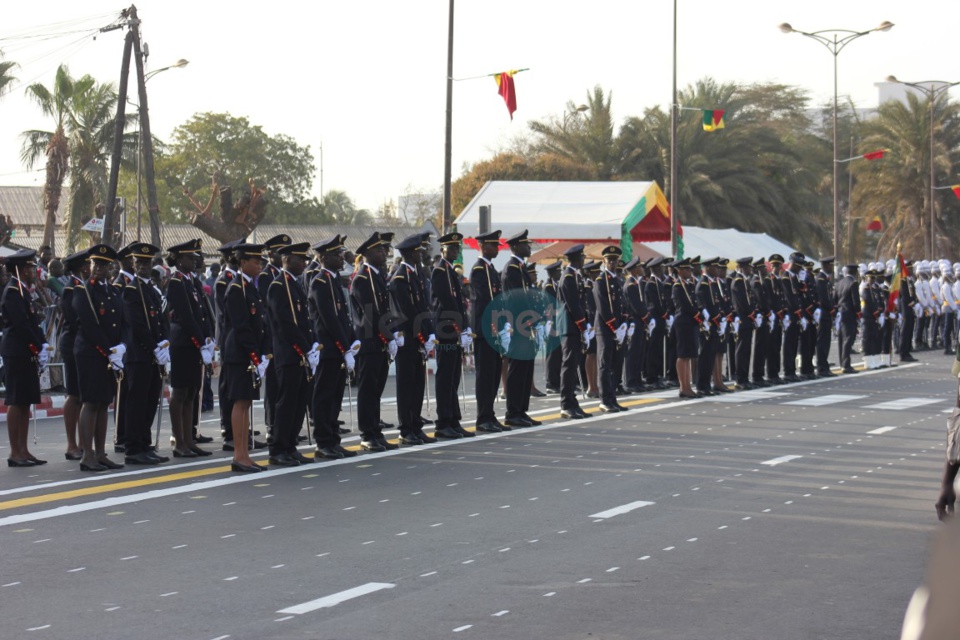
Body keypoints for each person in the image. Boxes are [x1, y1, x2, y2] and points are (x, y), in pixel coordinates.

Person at [72, 245, 126, 472]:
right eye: (96, 264)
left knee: (104, 402)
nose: (99, 269)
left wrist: (122, 346)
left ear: (111, 268)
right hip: (90, 353)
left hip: (110, 354)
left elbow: (122, 321)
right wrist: (109, 350)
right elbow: (90, 325)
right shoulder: (83, 291)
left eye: (104, 265)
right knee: (91, 402)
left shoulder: (112, 291)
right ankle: (87, 454)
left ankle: (101, 453)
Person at [266, 242, 319, 466]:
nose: (304, 263)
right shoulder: (278, 285)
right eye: (300, 259)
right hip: (288, 353)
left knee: (299, 402)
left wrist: (311, 346)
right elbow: (284, 323)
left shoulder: (295, 284)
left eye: (305, 260)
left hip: (301, 352)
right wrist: (304, 347)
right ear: (287, 260)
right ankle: (278, 448)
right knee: (286, 403)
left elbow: (305, 320)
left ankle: (290, 445)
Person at [307, 235, 359, 459]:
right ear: (324, 258)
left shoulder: (334, 280)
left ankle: (333, 439)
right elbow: (329, 319)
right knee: (324, 396)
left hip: (338, 347)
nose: (341, 258)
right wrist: (344, 347)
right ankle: (323, 442)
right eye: (337, 255)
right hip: (328, 347)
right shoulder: (320, 282)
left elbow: (344, 316)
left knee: (336, 396)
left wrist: (352, 341)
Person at [121, 243, 170, 465]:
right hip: (139, 355)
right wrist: (154, 347)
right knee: (137, 402)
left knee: (150, 401)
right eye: (139, 263)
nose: (143, 267)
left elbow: (160, 320)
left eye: (147, 263)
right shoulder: (132, 290)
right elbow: (137, 325)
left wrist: (165, 344)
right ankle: (133, 448)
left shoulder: (151, 289)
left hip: (154, 354)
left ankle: (144, 443)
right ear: (133, 265)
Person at [222, 243, 270, 473]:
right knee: (240, 403)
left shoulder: (249, 287)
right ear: (242, 262)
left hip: (249, 353)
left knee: (247, 402)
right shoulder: (236, 288)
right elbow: (241, 326)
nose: (259, 264)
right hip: (239, 354)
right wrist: (255, 356)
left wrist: (261, 354)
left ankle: (245, 455)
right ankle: (239, 455)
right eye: (255, 261)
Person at [350, 231, 400, 451]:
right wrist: (387, 336)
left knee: (377, 390)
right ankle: (367, 433)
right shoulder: (362, 279)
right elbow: (371, 313)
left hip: (380, 341)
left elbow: (386, 310)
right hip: (369, 341)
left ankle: (375, 430)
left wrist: (393, 334)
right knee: (367, 390)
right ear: (368, 253)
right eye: (379, 250)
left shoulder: (377, 276)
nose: (384, 253)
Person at [2, 249, 51, 467]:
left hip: (26, 351)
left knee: (25, 401)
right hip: (17, 351)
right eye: (31, 268)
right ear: (23, 270)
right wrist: (36, 347)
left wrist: (43, 344)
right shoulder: (13, 292)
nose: (34, 272)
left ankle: (23, 449)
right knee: (16, 400)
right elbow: (21, 325)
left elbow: (33, 322)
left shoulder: (23, 291)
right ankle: (15, 452)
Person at [165, 239, 213, 458]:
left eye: (195, 258)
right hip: (183, 342)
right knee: (180, 392)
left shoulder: (192, 281)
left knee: (192, 391)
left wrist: (208, 338)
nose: (194, 261)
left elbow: (202, 313)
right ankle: (179, 442)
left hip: (195, 342)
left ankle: (189, 439)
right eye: (189, 258)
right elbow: (185, 316)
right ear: (178, 260)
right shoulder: (176, 282)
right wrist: (200, 341)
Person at [389, 232, 437, 443]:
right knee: (406, 386)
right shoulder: (400, 279)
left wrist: (430, 333)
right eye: (419, 251)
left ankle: (416, 426)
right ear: (410, 254)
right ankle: (406, 429)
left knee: (418, 385)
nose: (423, 254)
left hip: (419, 339)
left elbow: (424, 309)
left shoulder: (415, 275)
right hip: (408, 339)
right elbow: (408, 313)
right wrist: (423, 336)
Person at [431, 232, 475, 438]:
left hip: (455, 330)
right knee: (445, 377)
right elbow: (447, 303)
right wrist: (459, 328)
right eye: (452, 248)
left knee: (454, 377)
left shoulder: (451, 271)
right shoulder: (440, 271)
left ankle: (453, 419)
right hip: (446, 330)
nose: (455, 251)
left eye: (457, 248)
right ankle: (443, 422)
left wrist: (465, 327)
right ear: (443, 250)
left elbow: (460, 302)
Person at [501, 230, 541, 428]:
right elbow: (516, 300)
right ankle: (513, 412)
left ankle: (522, 411)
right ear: (516, 246)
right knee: (517, 370)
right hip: (518, 326)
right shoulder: (512, 269)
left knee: (526, 369)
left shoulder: (520, 267)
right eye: (526, 244)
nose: (529, 247)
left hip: (526, 325)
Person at [470, 230, 507, 432]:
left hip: (495, 329)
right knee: (485, 376)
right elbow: (484, 301)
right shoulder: (479, 269)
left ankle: (490, 415)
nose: (497, 249)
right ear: (483, 247)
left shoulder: (490, 269)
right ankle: (483, 418)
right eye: (493, 246)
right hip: (485, 330)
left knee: (493, 375)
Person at [58, 250, 89, 461]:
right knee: (74, 394)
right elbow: (74, 318)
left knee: (82, 395)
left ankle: (83, 443)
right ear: (82, 267)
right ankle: (72, 444)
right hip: (72, 344)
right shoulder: (71, 288)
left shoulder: (82, 286)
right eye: (88, 264)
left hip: (82, 344)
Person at [594, 245, 629, 412]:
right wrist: (614, 327)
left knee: (615, 364)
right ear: (604, 261)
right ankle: (605, 400)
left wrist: (624, 323)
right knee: (604, 364)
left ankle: (612, 398)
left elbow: (623, 304)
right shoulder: (601, 281)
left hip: (617, 328)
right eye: (609, 260)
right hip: (605, 328)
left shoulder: (618, 280)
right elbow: (602, 307)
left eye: (615, 260)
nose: (612, 263)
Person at [671, 258, 701, 399]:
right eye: (686, 269)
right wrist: (698, 315)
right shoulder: (677, 286)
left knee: (689, 355)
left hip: (691, 322)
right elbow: (685, 305)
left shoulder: (689, 285)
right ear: (679, 271)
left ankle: (688, 386)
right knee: (683, 355)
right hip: (683, 322)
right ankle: (683, 387)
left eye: (690, 269)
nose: (690, 272)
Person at [835, 264, 861, 373]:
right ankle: (846, 365)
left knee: (842, 339)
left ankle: (842, 363)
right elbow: (856, 301)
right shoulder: (853, 283)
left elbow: (834, 299)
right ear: (855, 272)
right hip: (849, 314)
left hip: (840, 313)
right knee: (848, 339)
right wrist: (858, 313)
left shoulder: (839, 283)